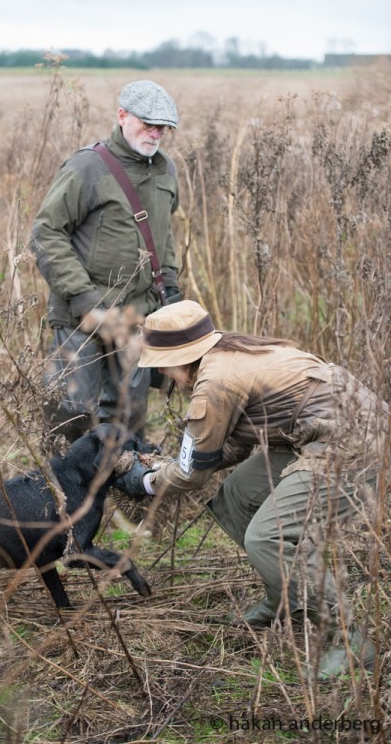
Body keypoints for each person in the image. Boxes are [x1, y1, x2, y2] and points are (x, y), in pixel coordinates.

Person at [115, 300, 388, 679]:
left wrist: (146, 481)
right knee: (236, 497)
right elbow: (235, 445)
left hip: (357, 446)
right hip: (318, 435)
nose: (161, 373)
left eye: (161, 363)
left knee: (268, 536)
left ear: (181, 356)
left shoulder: (215, 381)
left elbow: (193, 474)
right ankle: (284, 598)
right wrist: (167, 466)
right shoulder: (228, 351)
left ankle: (350, 637)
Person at [29, 80, 182, 442]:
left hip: (136, 317)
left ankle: (124, 490)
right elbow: (46, 233)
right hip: (84, 313)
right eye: (148, 124)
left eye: (163, 127)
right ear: (122, 116)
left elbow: (164, 234)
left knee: (128, 415)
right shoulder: (87, 167)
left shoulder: (166, 171)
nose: (156, 133)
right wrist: (84, 299)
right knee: (70, 412)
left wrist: (171, 287)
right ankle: (63, 494)